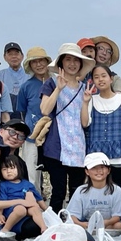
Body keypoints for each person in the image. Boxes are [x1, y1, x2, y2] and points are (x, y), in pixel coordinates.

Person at [39, 43, 95, 211]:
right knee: (59, 190)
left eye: (75, 60)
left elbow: (85, 123)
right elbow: (45, 110)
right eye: (68, 59)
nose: (72, 64)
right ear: (61, 63)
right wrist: (58, 88)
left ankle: (74, 223)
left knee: (77, 190)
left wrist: (86, 102)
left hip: (78, 145)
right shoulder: (51, 83)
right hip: (57, 145)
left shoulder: (85, 88)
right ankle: (54, 225)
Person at [84, 64, 121, 192]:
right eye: (96, 77)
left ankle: (118, 212)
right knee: (97, 187)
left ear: (111, 79)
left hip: (118, 152)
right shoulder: (91, 99)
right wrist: (85, 102)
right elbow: (85, 123)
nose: (100, 80)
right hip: (96, 152)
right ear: (92, 81)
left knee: (118, 188)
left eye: (104, 76)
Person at [14, 47, 52, 185]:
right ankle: (33, 201)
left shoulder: (57, 82)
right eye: (34, 62)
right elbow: (22, 111)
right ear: (30, 65)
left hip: (53, 134)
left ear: (47, 62)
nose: (39, 64)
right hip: (32, 136)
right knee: (31, 172)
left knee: (55, 172)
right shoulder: (26, 86)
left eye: (41, 60)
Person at [66, 152, 121, 230]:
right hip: (86, 225)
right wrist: (81, 224)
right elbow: (72, 216)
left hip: (107, 224)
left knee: (119, 226)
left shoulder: (116, 190)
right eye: (94, 168)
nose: (99, 171)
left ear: (108, 170)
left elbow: (117, 216)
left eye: (102, 167)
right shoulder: (81, 191)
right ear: (87, 171)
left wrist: (106, 223)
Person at [0, 154, 48, 235]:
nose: (8, 171)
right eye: (4, 169)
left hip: (27, 207)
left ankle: (43, 228)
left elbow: (39, 198)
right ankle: (5, 230)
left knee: (34, 208)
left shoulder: (27, 184)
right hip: (11, 209)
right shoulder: (3, 185)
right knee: (21, 209)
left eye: (12, 168)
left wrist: (47, 210)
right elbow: (1, 202)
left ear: (19, 169)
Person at [0, 42, 28, 116]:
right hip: (6, 116)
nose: (14, 56)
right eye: (10, 54)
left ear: (22, 56)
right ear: (4, 57)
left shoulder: (30, 75)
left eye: (16, 53)